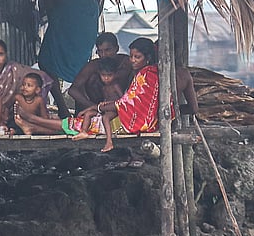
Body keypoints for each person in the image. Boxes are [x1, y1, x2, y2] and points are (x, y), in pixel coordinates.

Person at [13, 37, 163, 152]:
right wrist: (95, 107)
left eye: (137, 57)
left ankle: (32, 119)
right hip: (126, 117)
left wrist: (98, 108)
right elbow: (127, 100)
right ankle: (33, 127)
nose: (133, 61)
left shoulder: (144, 75)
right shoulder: (147, 73)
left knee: (76, 124)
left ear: (148, 57)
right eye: (132, 57)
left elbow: (126, 102)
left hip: (128, 122)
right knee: (78, 124)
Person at [0, 38, 54, 131]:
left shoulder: (14, 70)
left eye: (1, 54)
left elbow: (43, 77)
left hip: (12, 117)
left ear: (6, 55)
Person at [66, 32, 133, 112]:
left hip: (120, 106)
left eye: (107, 50)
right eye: (100, 51)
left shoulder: (126, 63)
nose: (104, 55)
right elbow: (73, 90)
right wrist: (94, 107)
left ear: (117, 48)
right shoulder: (93, 65)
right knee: (93, 78)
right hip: (94, 107)